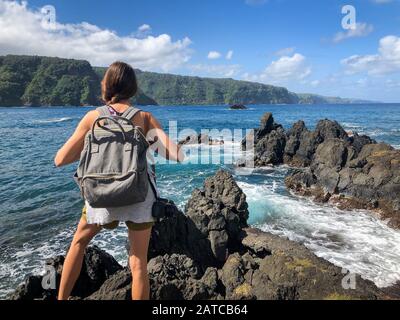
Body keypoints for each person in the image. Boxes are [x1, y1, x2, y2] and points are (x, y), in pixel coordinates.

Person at [54, 61, 184, 300]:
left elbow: (60, 159)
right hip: (138, 196)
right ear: (132, 88)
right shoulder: (144, 118)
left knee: (78, 244)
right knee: (138, 265)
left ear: (108, 85)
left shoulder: (93, 118)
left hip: (100, 196)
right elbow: (176, 154)